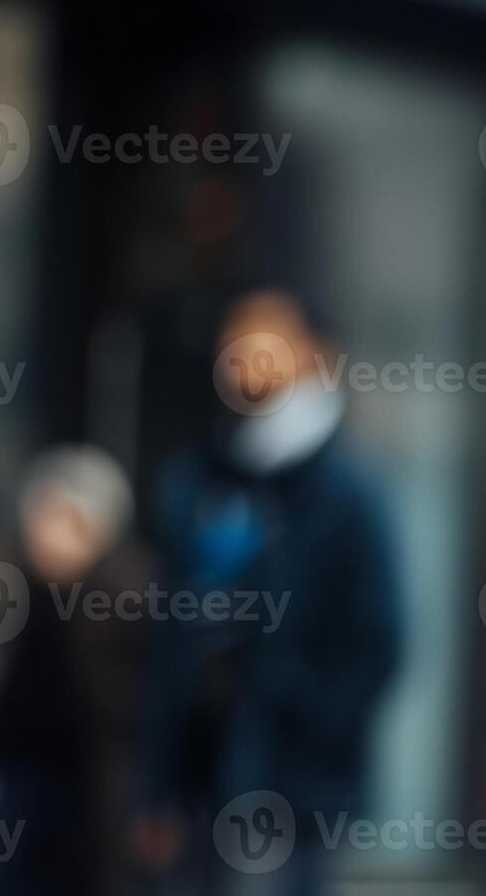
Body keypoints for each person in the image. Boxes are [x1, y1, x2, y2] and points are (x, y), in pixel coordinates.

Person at [133, 289, 401, 895]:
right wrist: (156, 784)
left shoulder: (346, 493)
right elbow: (168, 645)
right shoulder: (198, 477)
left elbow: (379, 640)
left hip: (291, 788)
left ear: (316, 355)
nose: (247, 353)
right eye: (237, 336)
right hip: (199, 779)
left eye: (268, 336)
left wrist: (301, 717)